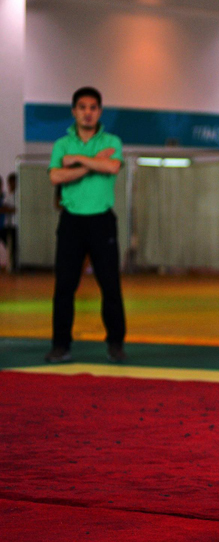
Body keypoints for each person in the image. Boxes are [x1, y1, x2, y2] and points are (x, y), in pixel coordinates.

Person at [45, 87, 127, 364]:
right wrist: (93, 162)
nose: (88, 112)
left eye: (93, 107)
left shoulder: (113, 140)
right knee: (64, 286)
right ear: (74, 111)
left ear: (99, 112)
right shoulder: (61, 144)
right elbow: (56, 176)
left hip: (102, 221)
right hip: (71, 221)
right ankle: (60, 345)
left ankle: (115, 344)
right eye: (82, 107)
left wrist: (77, 162)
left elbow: (113, 168)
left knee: (110, 286)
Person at [0, 173, 16, 271]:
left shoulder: (6, 196)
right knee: (11, 247)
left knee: (12, 247)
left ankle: (12, 266)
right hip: (6, 226)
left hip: (6, 226)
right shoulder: (8, 196)